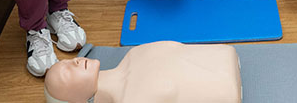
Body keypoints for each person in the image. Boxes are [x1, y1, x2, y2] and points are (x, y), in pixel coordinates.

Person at [44, 41, 241, 103]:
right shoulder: (130, 99)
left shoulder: (133, 54)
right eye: (67, 72)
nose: (76, 60)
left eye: (69, 60)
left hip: (225, 58)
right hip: (228, 92)